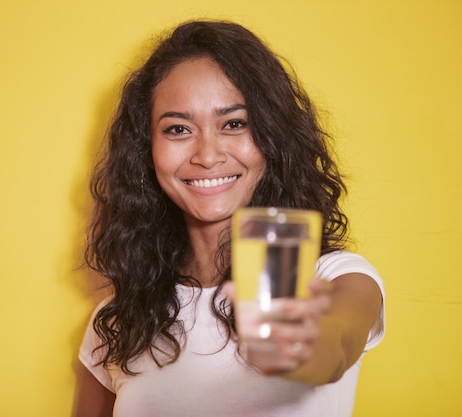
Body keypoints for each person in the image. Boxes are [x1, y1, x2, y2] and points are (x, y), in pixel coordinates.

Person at [73, 20, 385, 417]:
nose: (207, 154)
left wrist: (307, 347)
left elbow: (338, 343)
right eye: (178, 128)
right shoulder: (118, 318)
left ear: (273, 138)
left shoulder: (336, 277)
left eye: (234, 124)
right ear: (146, 151)